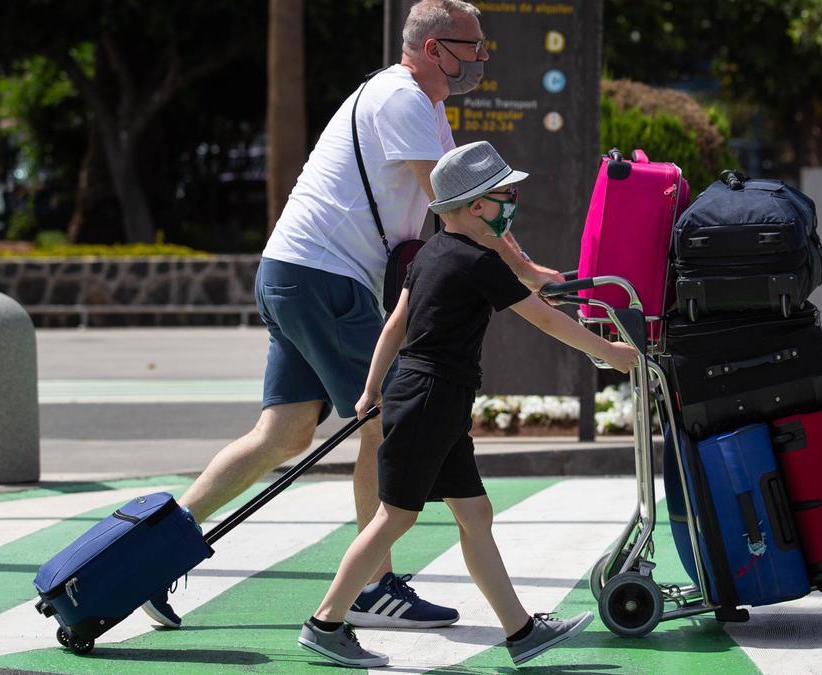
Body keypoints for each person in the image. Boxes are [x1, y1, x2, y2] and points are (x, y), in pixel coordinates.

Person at [142, 0, 563, 629]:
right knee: (390, 416)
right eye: (470, 45)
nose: (480, 56)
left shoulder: (418, 104)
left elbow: (456, 206)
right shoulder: (403, 102)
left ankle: (150, 556)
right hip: (322, 278)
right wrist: (526, 272)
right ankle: (373, 587)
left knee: (281, 435)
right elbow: (456, 204)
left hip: (293, 272)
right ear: (431, 49)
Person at [296, 141, 639, 668]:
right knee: (393, 517)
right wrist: (611, 352)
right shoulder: (480, 263)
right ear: (477, 205)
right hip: (432, 397)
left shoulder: (433, 252)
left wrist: (371, 389)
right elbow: (545, 319)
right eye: (506, 195)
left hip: (434, 397)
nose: (512, 205)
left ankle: (521, 632)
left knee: (475, 513)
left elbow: (396, 324)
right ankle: (325, 624)